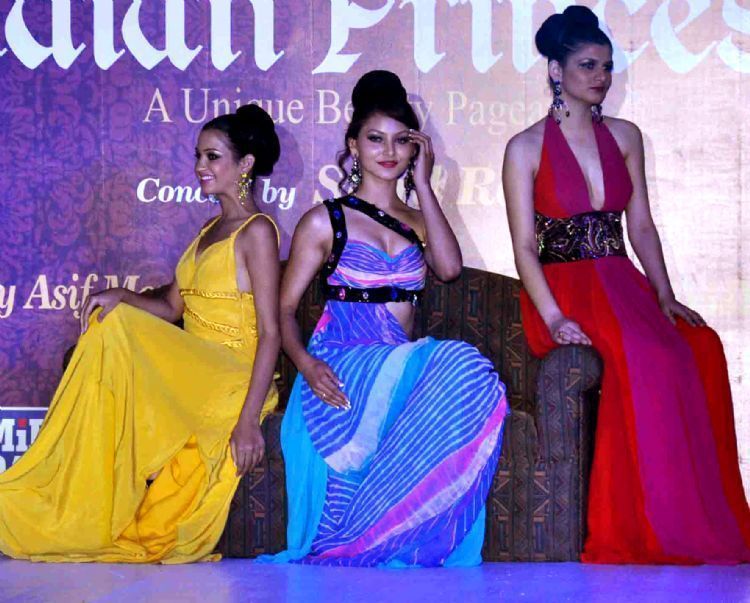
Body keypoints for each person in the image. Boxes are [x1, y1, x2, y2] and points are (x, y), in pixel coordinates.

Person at [503, 6, 750, 564]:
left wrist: (664, 295)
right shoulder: (524, 148)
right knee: (647, 355)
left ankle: (697, 518)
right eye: (587, 65)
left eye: (607, 66)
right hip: (565, 290)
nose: (601, 77)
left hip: (622, 283)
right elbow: (523, 249)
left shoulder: (625, 136)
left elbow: (639, 226)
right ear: (555, 70)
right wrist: (554, 316)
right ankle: (644, 525)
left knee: (700, 347)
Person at [0, 104, 282, 563]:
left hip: (231, 375)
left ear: (245, 164)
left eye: (212, 157)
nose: (200, 166)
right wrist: (122, 297)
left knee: (119, 329)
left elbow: (271, 332)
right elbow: (171, 307)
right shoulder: (209, 229)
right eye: (198, 156)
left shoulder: (258, 232)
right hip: (192, 367)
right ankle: (67, 490)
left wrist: (249, 420)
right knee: (110, 320)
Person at [261, 71, 508, 567]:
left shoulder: (418, 220)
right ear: (354, 145)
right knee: (460, 360)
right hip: (342, 364)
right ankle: (357, 535)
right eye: (375, 139)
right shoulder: (324, 220)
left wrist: (424, 186)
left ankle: (388, 533)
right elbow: (282, 310)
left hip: (397, 363)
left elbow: (449, 269)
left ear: (416, 148)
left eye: (401, 140)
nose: (389, 151)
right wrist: (306, 365)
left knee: (470, 371)